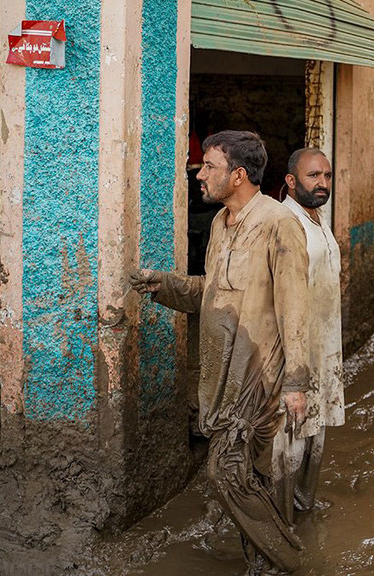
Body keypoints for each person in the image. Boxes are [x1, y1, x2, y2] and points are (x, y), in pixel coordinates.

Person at [130, 131, 311, 574]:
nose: (200, 173)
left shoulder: (278, 223)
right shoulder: (219, 223)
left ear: (239, 175)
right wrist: (167, 286)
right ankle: (263, 563)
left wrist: (297, 384)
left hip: (260, 374)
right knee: (250, 475)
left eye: (209, 166)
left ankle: (287, 560)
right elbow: (214, 292)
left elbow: (295, 308)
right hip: (222, 373)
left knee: (224, 470)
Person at [274, 147, 345, 520]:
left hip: (324, 347)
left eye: (327, 176)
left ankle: (303, 509)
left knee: (315, 435)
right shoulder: (286, 222)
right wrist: (292, 372)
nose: (322, 183)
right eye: (313, 176)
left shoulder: (316, 216)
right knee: (291, 440)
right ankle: (282, 521)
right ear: (290, 181)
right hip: (297, 354)